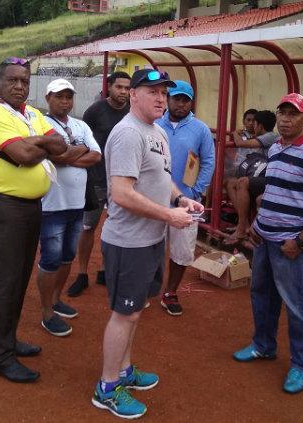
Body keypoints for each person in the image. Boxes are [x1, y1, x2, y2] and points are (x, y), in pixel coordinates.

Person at [91, 69, 203, 419]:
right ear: (133, 96)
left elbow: (162, 178)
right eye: (151, 91)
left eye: (164, 92)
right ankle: (107, 387)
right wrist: (169, 217)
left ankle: (124, 372)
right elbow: (122, 194)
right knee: (124, 315)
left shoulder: (155, 132)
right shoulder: (128, 133)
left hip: (150, 238)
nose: (160, 98)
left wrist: (180, 199)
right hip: (129, 242)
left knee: (135, 311)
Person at [0, 57, 68, 383]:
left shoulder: (31, 113)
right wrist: (37, 144)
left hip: (29, 207)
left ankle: (9, 340)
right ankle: (1, 356)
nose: (19, 86)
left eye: (25, 81)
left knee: (20, 277)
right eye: (12, 80)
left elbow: (61, 144)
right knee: (5, 283)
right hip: (2, 207)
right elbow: (27, 156)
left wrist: (34, 142)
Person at [233, 93, 303, 394]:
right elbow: (274, 193)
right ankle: (264, 345)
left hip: (292, 244)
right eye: (282, 113)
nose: (287, 119)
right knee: (261, 294)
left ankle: (302, 365)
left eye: (294, 114)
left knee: (298, 305)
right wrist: (256, 224)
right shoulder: (275, 147)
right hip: (265, 237)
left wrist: (301, 242)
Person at [36, 79, 102, 337]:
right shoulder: (42, 124)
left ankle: (55, 299)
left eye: (68, 97)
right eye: (59, 96)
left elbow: (95, 155)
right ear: (48, 98)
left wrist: (67, 156)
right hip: (51, 204)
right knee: (50, 258)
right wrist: (79, 150)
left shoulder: (81, 125)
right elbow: (51, 156)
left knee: (66, 257)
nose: (65, 101)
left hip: (77, 203)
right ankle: (46, 312)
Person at [67, 72, 131, 297]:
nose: (123, 92)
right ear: (109, 87)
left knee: (114, 227)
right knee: (88, 227)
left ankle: (104, 270)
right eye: (119, 87)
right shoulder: (95, 112)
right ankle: (82, 274)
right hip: (96, 179)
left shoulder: (132, 111)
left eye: (127, 88)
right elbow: (83, 141)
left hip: (122, 181)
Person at [155, 80, 215, 316]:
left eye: (185, 100)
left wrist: (196, 191)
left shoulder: (200, 129)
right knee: (151, 245)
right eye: (176, 99)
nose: (180, 104)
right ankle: (151, 286)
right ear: (168, 99)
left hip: (188, 201)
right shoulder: (155, 123)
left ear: (191, 102)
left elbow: (209, 161)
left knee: (182, 250)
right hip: (156, 198)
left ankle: (170, 292)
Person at [223, 110, 278, 246]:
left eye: (255, 123)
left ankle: (242, 229)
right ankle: (245, 224)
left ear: (260, 125)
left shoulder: (270, 136)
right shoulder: (265, 136)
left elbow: (240, 143)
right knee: (230, 183)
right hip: (260, 175)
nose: (253, 126)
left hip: (269, 178)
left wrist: (235, 133)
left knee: (242, 182)